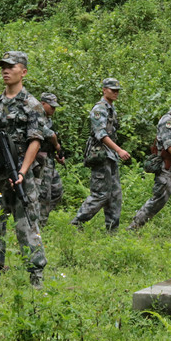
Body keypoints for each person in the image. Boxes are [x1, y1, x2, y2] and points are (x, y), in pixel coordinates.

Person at [0, 51, 47, 288]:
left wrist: (23, 171)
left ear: (23, 71)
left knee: (27, 222)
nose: (5, 71)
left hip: (22, 174)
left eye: (11, 66)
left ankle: (36, 274)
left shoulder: (32, 105)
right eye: (3, 67)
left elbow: (35, 141)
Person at [128, 89, 171, 232]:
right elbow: (169, 145)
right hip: (168, 168)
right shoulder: (167, 120)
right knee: (157, 201)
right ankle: (133, 227)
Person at [70, 78, 130, 232]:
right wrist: (119, 150)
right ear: (104, 90)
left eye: (117, 90)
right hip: (101, 156)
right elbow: (101, 134)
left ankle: (112, 230)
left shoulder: (111, 108)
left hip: (110, 156)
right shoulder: (99, 109)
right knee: (100, 194)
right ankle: (77, 222)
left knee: (115, 195)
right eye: (112, 90)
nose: (115, 93)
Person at [36, 92, 65, 226]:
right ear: (43, 104)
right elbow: (51, 135)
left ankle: (39, 215)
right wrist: (56, 144)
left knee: (57, 190)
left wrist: (57, 153)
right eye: (51, 106)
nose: (53, 109)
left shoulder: (48, 119)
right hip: (38, 161)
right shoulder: (36, 117)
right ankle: (40, 223)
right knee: (44, 193)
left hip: (48, 160)